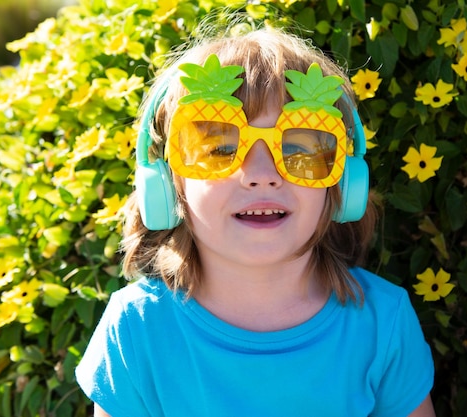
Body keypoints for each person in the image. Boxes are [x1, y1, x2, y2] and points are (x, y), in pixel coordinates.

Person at [75, 23, 436, 417]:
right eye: (221, 146)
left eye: (300, 145)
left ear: (343, 183)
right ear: (166, 183)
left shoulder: (382, 323)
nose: (261, 172)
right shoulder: (136, 329)